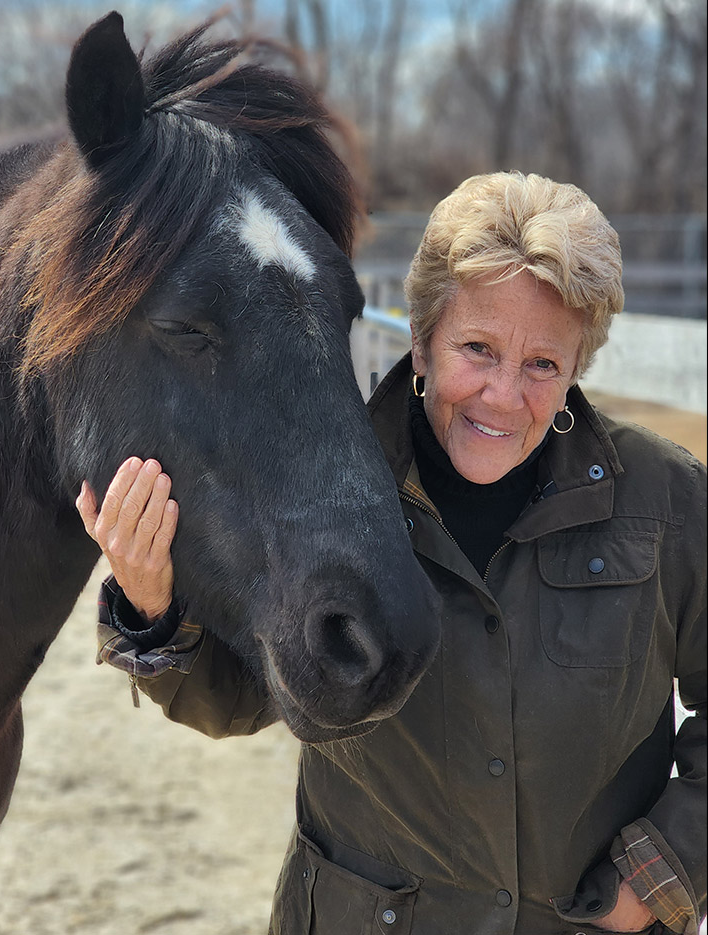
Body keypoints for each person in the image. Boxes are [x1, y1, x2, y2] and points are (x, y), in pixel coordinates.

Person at [77, 171, 706, 934]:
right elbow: (243, 696)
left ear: (577, 367)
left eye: (543, 363)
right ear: (420, 342)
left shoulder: (668, 499)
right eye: (477, 348)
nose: (504, 395)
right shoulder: (313, 483)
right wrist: (152, 604)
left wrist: (658, 873)